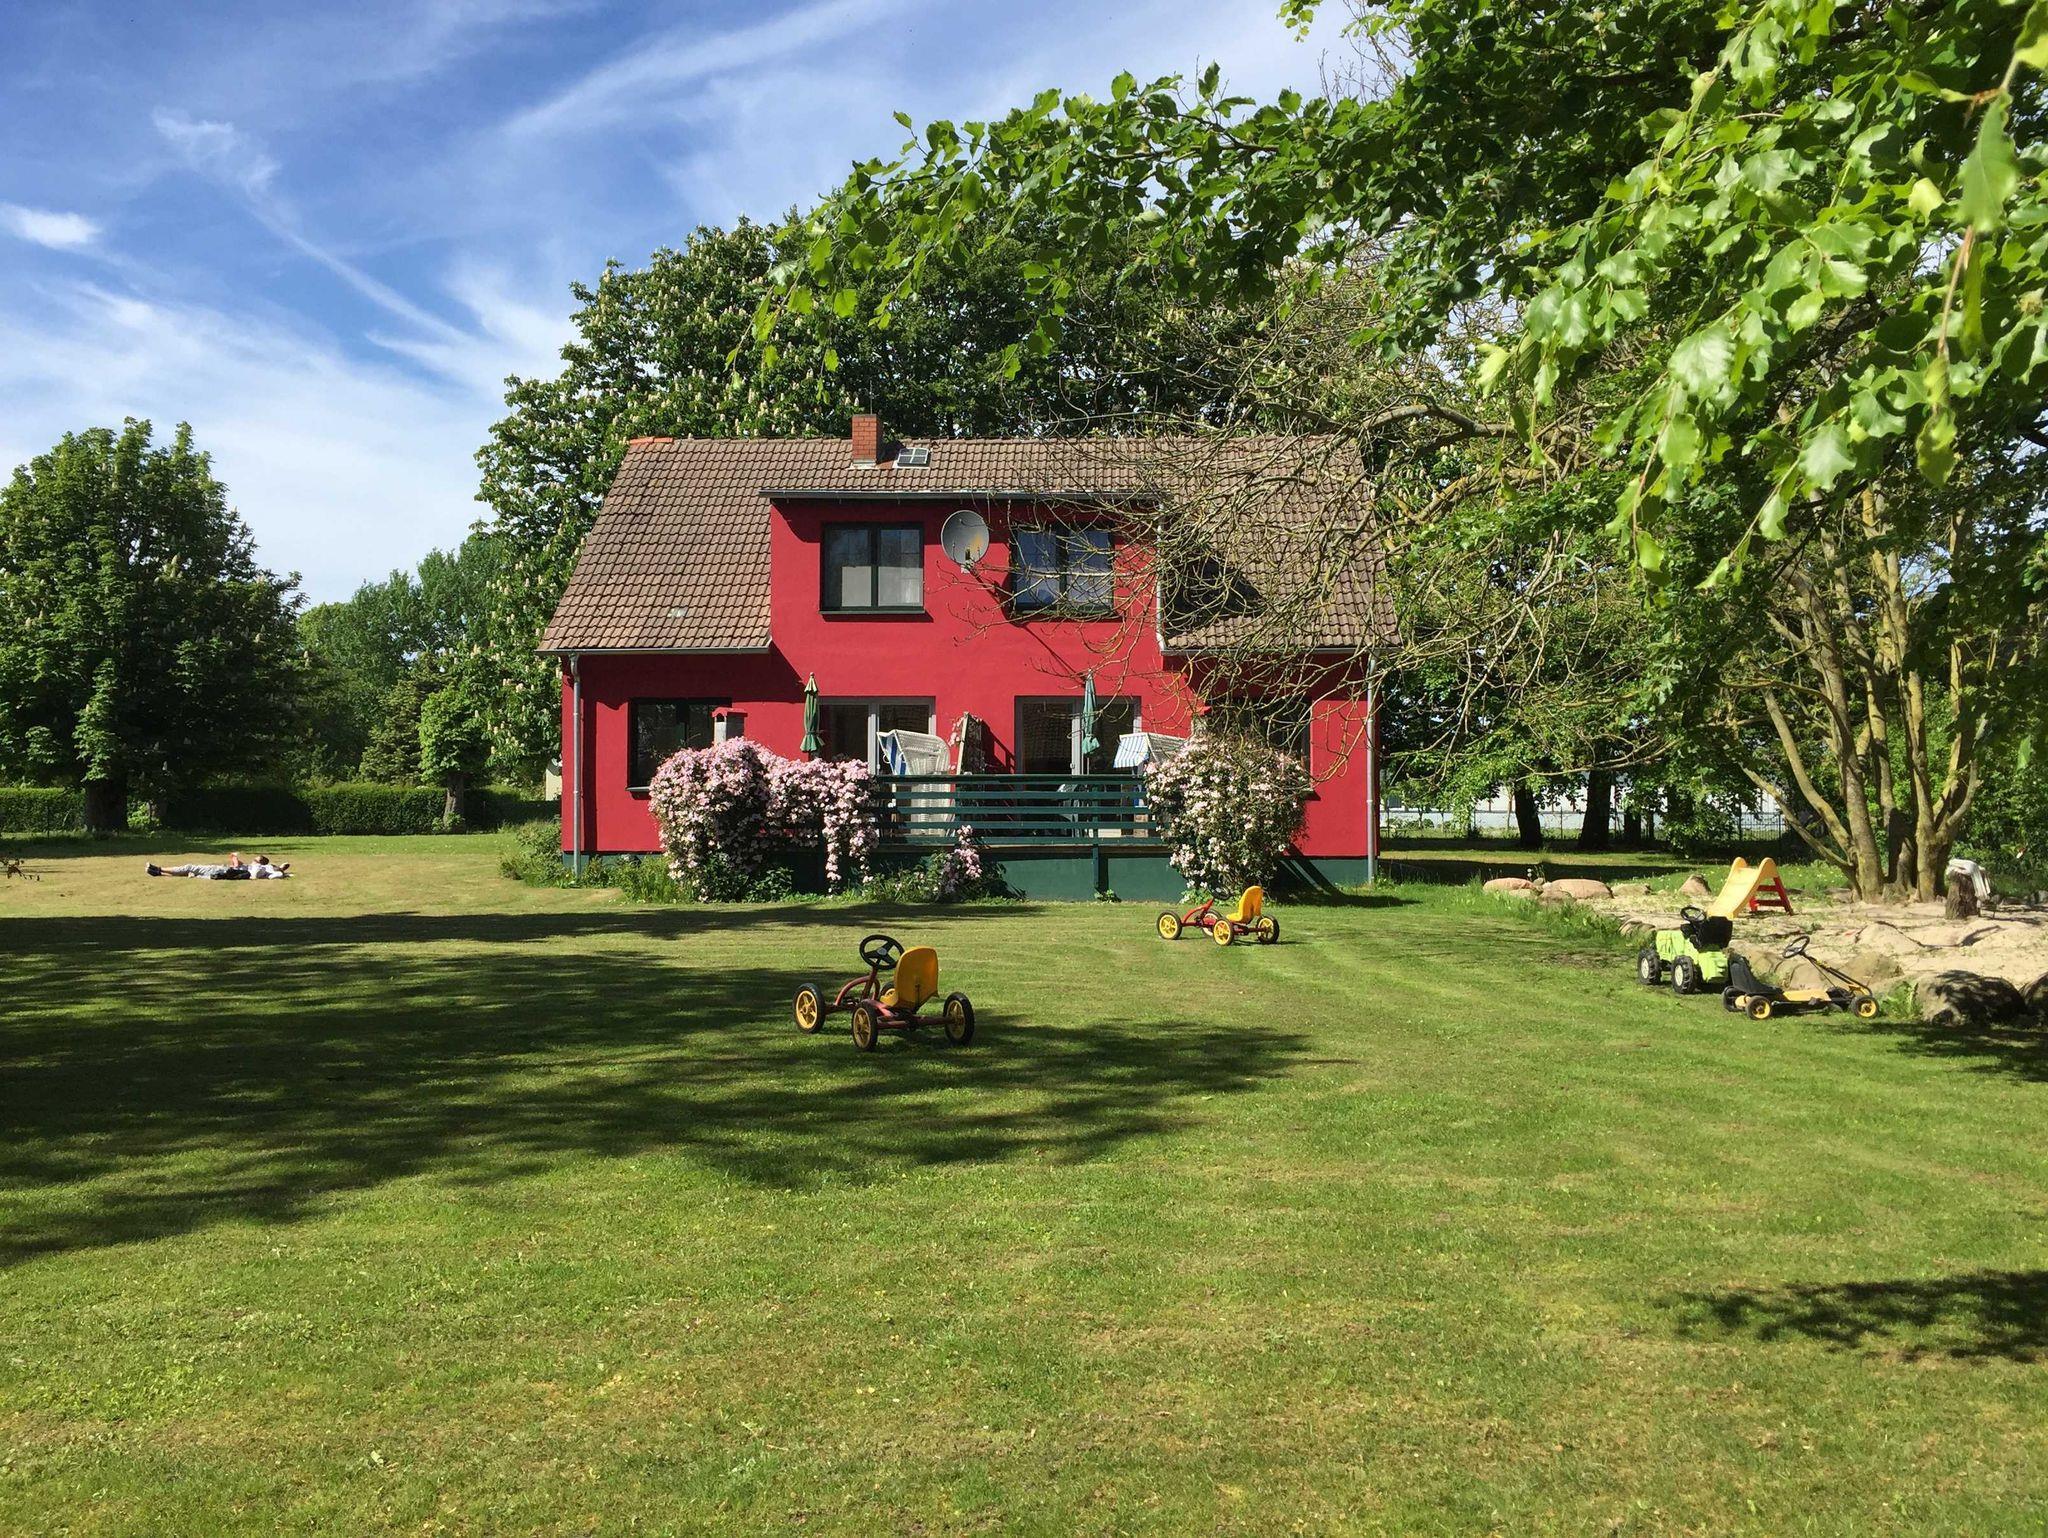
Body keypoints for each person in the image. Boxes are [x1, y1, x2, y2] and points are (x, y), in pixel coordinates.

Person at [146, 851, 288, 879]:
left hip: (221, 869)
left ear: (259, 861)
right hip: (222, 870)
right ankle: (157, 873)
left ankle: (158, 869)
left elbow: (236, 865)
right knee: (188, 872)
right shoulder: (252, 867)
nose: (254, 858)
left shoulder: (256, 867)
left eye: (256, 858)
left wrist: (234, 856)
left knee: (189, 867)